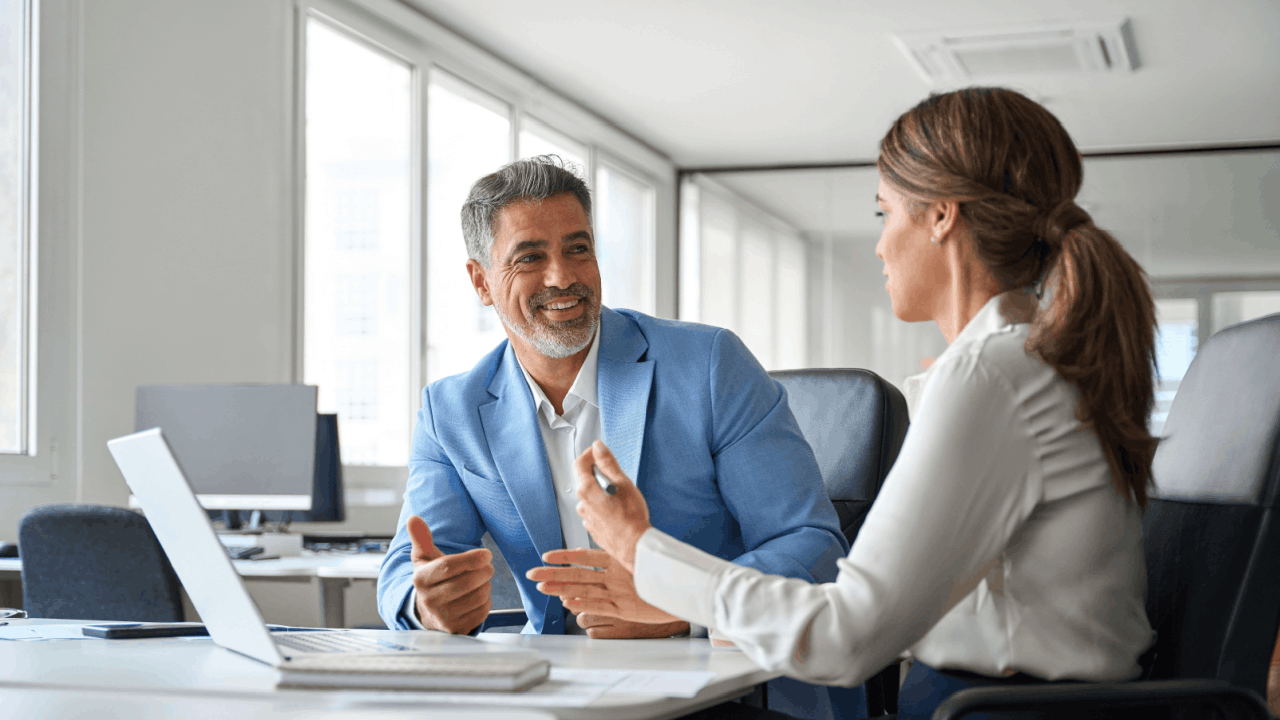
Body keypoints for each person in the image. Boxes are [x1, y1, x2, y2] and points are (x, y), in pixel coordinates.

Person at [538, 88, 1159, 719]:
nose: (881, 246)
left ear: (941, 215)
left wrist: (645, 554)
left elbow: (846, 636)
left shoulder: (995, 375)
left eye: (885, 213)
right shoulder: (1024, 362)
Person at [375, 156, 851, 718]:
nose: (563, 276)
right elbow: (408, 566)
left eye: (578, 248)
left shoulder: (708, 365)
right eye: (530, 257)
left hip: (726, 685)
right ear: (481, 281)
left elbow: (814, 545)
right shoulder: (451, 409)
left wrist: (677, 608)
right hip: (558, 692)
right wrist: (428, 603)